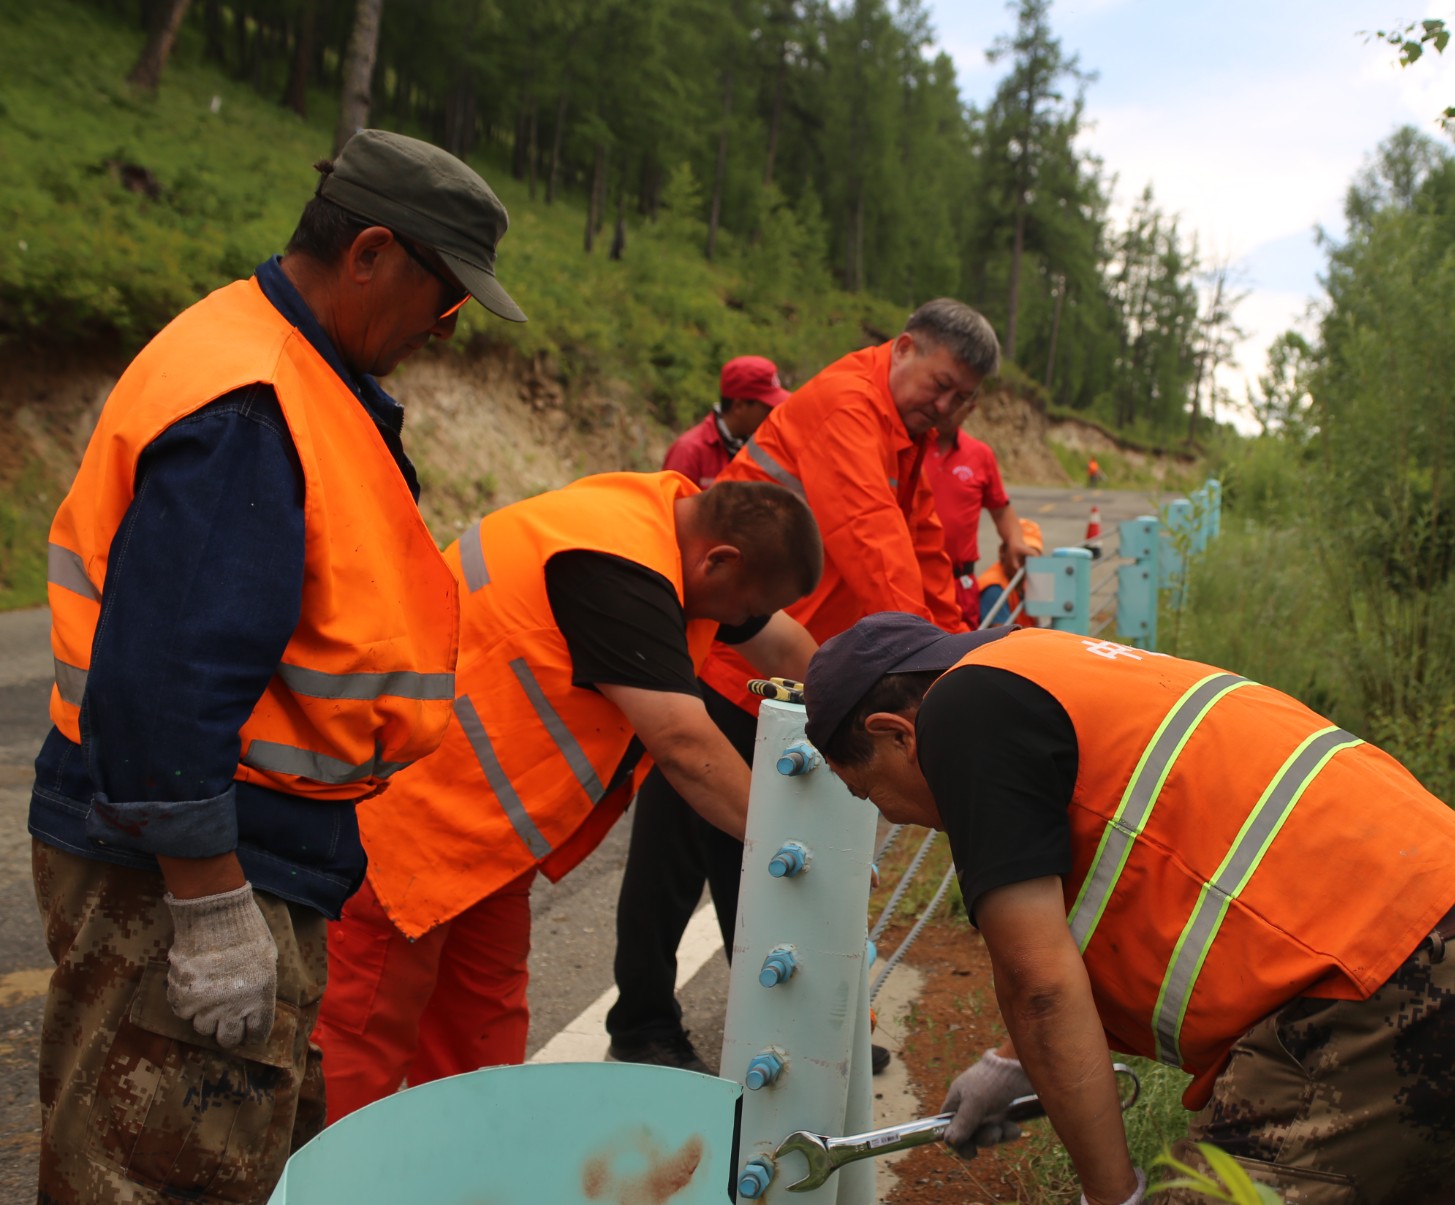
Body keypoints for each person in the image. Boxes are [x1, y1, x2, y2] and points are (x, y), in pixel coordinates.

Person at [31, 130, 526, 1203]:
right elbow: (166, 676)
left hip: (234, 848)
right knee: (157, 1172)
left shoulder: (284, 369)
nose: (446, 328)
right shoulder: (254, 402)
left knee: (220, 1160)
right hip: (188, 863)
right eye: (445, 295)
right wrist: (210, 903)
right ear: (370, 253)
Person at [804, 613, 1455, 1205]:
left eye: (871, 792)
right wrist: (1013, 1063)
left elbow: (1039, 985)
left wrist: (1113, 1195)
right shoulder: (1046, 664)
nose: (897, 818)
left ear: (896, 733)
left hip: (1390, 1007)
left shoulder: (962, 713)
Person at [313, 475, 820, 1119]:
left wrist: (852, 718)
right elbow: (683, 744)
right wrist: (801, 850)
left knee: (482, 1042)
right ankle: (329, 1169)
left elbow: (783, 644)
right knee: (362, 1046)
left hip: (482, 842)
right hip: (404, 831)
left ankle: (474, 1166)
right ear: (719, 560)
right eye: (741, 606)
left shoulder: (664, 532)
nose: (736, 623)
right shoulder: (614, 568)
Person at [606, 298, 999, 1071]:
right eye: (941, 386)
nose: (947, 407)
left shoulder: (906, 436)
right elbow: (874, 545)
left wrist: (960, 659)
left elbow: (923, 549)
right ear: (904, 347)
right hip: (729, 650)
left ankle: (796, 1033)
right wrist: (927, 679)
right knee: (676, 852)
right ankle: (643, 1024)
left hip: (796, 669)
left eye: (964, 399)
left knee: (770, 853)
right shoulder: (846, 406)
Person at [924, 393, 1033, 628]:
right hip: (915, 579)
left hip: (958, 584)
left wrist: (1015, 540)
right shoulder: (911, 445)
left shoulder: (980, 455)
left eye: (957, 400)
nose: (945, 406)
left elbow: (1001, 509)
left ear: (970, 408)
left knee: (962, 647)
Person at [663, 355, 790, 485]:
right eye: (768, 408)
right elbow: (669, 497)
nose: (774, 414)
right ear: (739, 406)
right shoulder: (689, 451)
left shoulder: (765, 449)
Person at [975, 518, 1045, 627]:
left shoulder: (1023, 583)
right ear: (1002, 551)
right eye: (1020, 555)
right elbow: (1002, 635)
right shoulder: (994, 589)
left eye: (1031, 557)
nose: (1025, 563)